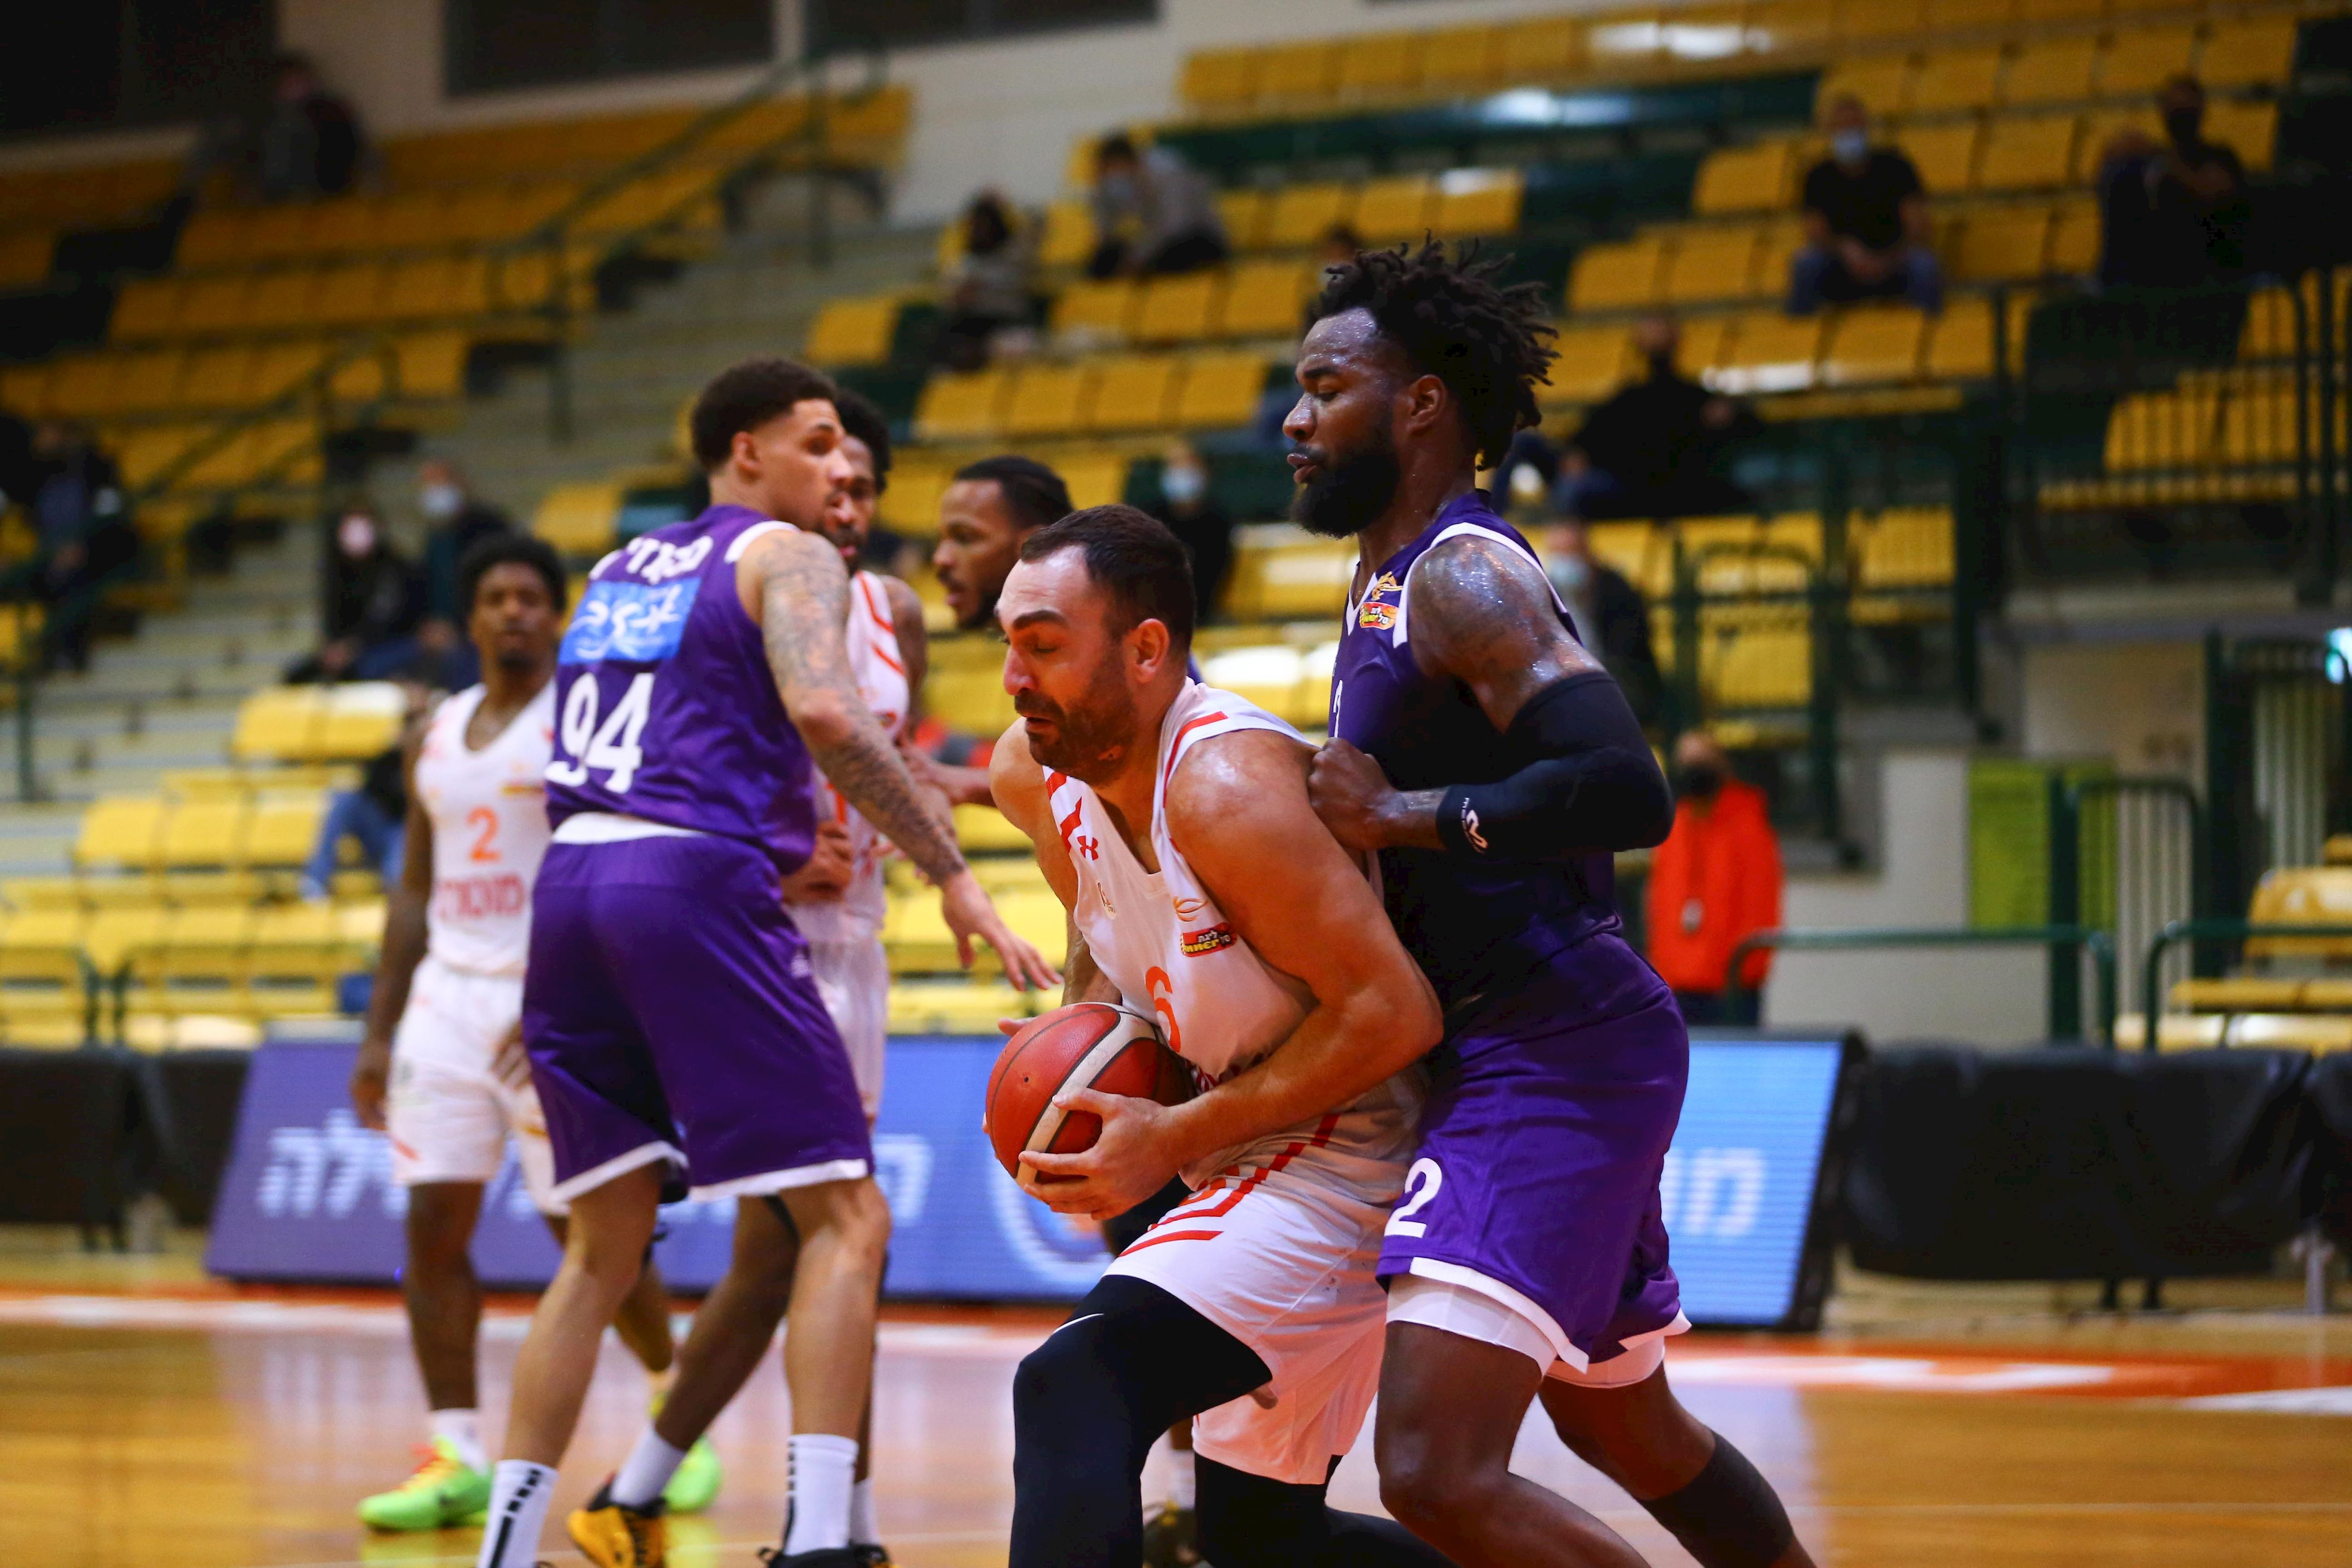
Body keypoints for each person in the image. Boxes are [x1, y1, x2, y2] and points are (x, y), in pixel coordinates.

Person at [476, 357, 1055, 1568]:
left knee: (608, 1249)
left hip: (580, 887)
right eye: (820, 442)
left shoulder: (620, 567)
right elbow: (829, 721)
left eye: (851, 454)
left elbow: (632, 753)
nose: (842, 468)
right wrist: (946, 869)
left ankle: (511, 1545)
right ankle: (822, 1534)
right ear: (748, 451)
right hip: (708, 896)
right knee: (846, 1218)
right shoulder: (785, 557)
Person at [1291, 243, 1815, 1568]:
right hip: (1511, 1037)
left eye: (1326, 387)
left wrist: (1402, 815)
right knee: (1628, 1426)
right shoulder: (1379, 580)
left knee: (1435, 1468)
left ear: (1420, 403)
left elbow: (1624, 786)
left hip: (1551, 1039)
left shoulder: (1463, 575)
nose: (1294, 419)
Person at [989, 505, 1453, 1568]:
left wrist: (1172, 1133)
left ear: (1146, 650)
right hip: (1244, 1151)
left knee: (1075, 1384)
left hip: (1348, 1156)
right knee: (1262, 1542)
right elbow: (1105, 919)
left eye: (1044, 647)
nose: (1014, 678)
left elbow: (1395, 1013)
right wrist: (1087, 1029)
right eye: (1008, 645)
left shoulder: (1224, 789)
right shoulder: (1037, 772)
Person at [582, 389, 927, 1565]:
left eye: (863, 481)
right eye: (828, 467)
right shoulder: (742, 587)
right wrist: (776, 856)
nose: (846, 493)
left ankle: (656, 1495)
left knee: (801, 1249)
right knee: (834, 1231)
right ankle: (817, 1523)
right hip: (754, 934)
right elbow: (685, 766)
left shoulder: (889, 609)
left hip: (858, 943)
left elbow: (891, 756)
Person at [343, 535, 711, 1529]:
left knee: (590, 1232)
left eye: (530, 597)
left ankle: (676, 1408)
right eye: (496, 596)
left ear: (559, 616)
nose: (513, 611)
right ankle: (455, 1449)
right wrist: (379, 1031)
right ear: (470, 618)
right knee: (432, 1221)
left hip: (554, 997)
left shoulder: (580, 721)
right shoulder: (436, 730)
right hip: (445, 1002)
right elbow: (413, 889)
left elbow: (617, 860)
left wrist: (567, 989)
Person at [920, 455, 1075, 808]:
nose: (941, 559)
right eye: (941, 540)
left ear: (1033, 547)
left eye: (965, 538)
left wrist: (964, 784)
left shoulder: (1100, 645)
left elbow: (1128, 785)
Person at [1557, 314, 1760, 524]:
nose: (1656, 342)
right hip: (1631, 494)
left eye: (1661, 336)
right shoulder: (1626, 400)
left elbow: (1749, 426)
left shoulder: (1697, 398)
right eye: (1650, 337)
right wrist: (1576, 455)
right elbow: (1584, 441)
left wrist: (1728, 414)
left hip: (1690, 491)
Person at [1644, 732, 1780, 1027]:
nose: (1692, 770)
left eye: (1701, 761)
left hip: (1731, 988)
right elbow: (1661, 904)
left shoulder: (1747, 824)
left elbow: (1759, 905)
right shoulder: (1676, 826)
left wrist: (1744, 972)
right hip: (1678, 985)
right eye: (1685, 762)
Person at [1788, 95, 1941, 315]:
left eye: (1854, 125)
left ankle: (1931, 328)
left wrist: (1887, 259)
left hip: (1894, 262)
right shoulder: (1819, 176)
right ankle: (1799, 333)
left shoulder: (1895, 166)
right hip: (1842, 267)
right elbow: (1815, 232)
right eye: (1841, 127)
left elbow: (1918, 227)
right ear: (1830, 131)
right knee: (1806, 264)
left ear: (1866, 127)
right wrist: (1846, 252)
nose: (1848, 132)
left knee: (1924, 265)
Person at [2096, 75, 2249, 292]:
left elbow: (2214, 193)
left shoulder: (2218, 156)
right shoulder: (2152, 162)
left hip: (2204, 266)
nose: (2179, 116)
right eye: (2174, 108)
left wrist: (2163, 161)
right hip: (2155, 266)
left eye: (2186, 109)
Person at [18, 422, 136, 673]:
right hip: (51, 557)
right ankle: (44, 657)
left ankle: (70, 654)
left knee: (74, 585)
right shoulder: (36, 474)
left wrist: (84, 545)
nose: (42, 445)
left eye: (48, 437)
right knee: (27, 581)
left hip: (98, 553)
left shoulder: (99, 469)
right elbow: (31, 520)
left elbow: (111, 512)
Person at [1541, 517, 1662, 729]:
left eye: (1571, 555)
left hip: (1621, 683)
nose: (1565, 565)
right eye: (1559, 556)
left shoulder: (1617, 591)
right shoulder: (1548, 594)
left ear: (1587, 553)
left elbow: (1628, 654)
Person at [288, 504, 427, 684]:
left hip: (392, 643)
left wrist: (352, 646)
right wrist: (335, 647)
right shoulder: (337, 569)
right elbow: (334, 616)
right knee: (298, 675)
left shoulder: (395, 568)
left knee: (365, 670)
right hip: (348, 648)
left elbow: (387, 618)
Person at [300, 701, 421, 901]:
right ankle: (315, 879)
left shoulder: (429, 763)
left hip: (405, 830)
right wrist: (393, 753)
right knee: (344, 799)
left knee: (406, 831)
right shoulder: (387, 759)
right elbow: (369, 788)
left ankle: (396, 893)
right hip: (379, 825)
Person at [1088, 134, 1229, 280]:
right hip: (1158, 239)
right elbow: (1107, 228)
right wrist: (1100, 189)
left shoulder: (1168, 172)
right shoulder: (1123, 181)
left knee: (1166, 257)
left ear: (1127, 162)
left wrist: (1139, 257)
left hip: (1196, 236)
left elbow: (1174, 226)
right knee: (1104, 262)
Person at [938, 191, 1036, 371]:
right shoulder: (968, 261)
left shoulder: (1014, 255)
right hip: (970, 322)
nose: (978, 231)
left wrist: (1005, 204)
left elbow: (1034, 227)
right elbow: (954, 297)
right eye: (975, 225)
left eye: (984, 225)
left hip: (1004, 322)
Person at [258, 52, 366, 203]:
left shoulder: (331, 112)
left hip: (330, 187)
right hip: (286, 194)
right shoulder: (272, 120)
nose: (298, 86)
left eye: (300, 80)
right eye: (290, 82)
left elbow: (356, 148)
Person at [1148, 440, 1233, 624]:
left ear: (1204, 473)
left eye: (1188, 467)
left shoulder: (1217, 523)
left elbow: (1214, 575)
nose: (1182, 474)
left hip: (1202, 615)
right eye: (1175, 467)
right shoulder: (1150, 519)